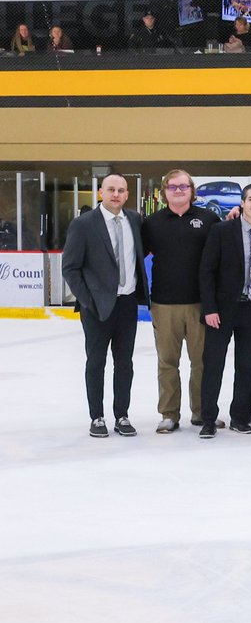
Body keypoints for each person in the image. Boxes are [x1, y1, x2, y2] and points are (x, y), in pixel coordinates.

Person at [62, 174, 147, 438]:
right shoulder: (84, 224)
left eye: (121, 190)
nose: (116, 194)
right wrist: (88, 301)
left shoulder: (134, 220)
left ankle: (122, 415)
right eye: (111, 189)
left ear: (127, 194)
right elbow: (70, 267)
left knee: (125, 363)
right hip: (96, 307)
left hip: (127, 304)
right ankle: (97, 417)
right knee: (96, 362)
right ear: (101, 192)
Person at [141, 169, 219, 433]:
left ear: (191, 190)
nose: (178, 191)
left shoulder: (208, 219)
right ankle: (169, 414)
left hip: (200, 304)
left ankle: (202, 412)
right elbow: (135, 256)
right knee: (167, 362)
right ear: (164, 192)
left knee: (202, 362)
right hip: (164, 304)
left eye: (183, 186)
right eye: (172, 187)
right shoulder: (152, 223)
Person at [197, 183, 251, 438]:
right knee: (213, 365)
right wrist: (209, 308)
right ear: (242, 202)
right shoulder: (222, 230)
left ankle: (239, 417)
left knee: (247, 365)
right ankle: (208, 419)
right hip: (222, 310)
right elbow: (207, 271)